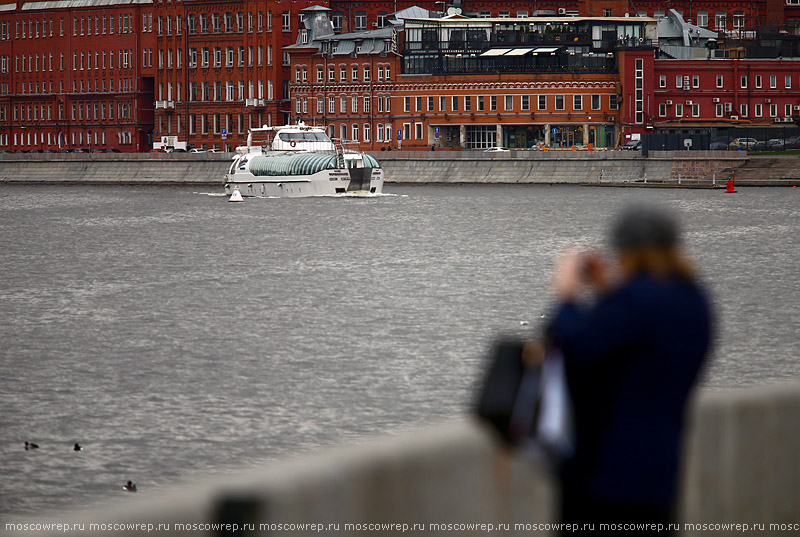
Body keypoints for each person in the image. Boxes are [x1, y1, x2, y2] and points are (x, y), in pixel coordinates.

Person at [547, 203, 713, 534]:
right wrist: (606, 288)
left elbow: (575, 345)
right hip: (661, 475)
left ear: (624, 248)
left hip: (607, 477)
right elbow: (641, 339)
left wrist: (566, 294)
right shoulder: (694, 300)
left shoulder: (636, 302)